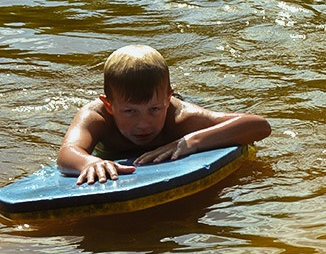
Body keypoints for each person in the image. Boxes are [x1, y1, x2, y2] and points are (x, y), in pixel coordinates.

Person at [58, 45, 271, 185]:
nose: (143, 124)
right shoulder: (96, 117)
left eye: (154, 110)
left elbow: (258, 126)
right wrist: (88, 162)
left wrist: (192, 142)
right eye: (130, 111)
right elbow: (67, 152)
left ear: (168, 100)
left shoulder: (179, 117)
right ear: (109, 105)